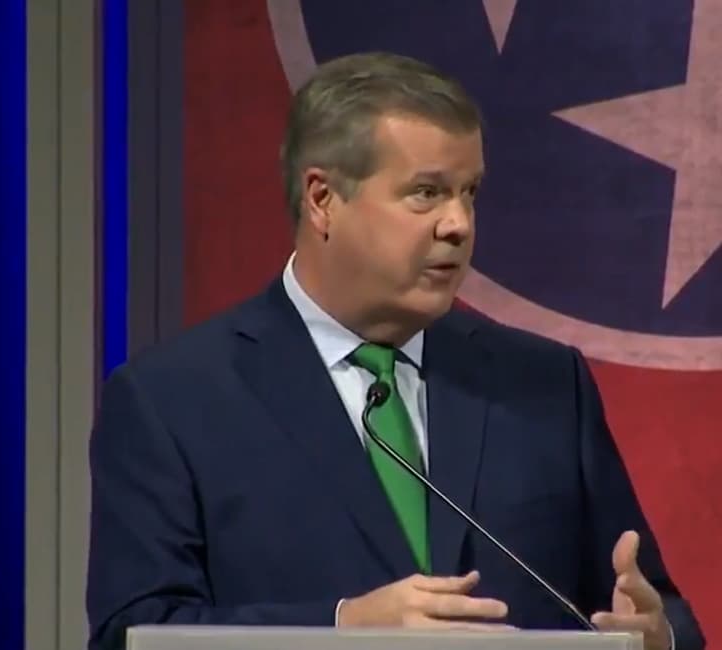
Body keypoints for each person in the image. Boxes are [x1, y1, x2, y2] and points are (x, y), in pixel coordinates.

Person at [84, 52, 704, 650]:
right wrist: (341, 626)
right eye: (426, 193)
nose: (458, 224)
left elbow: (655, 606)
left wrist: (659, 636)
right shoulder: (174, 400)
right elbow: (132, 633)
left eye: (470, 192)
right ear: (324, 200)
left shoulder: (544, 384)